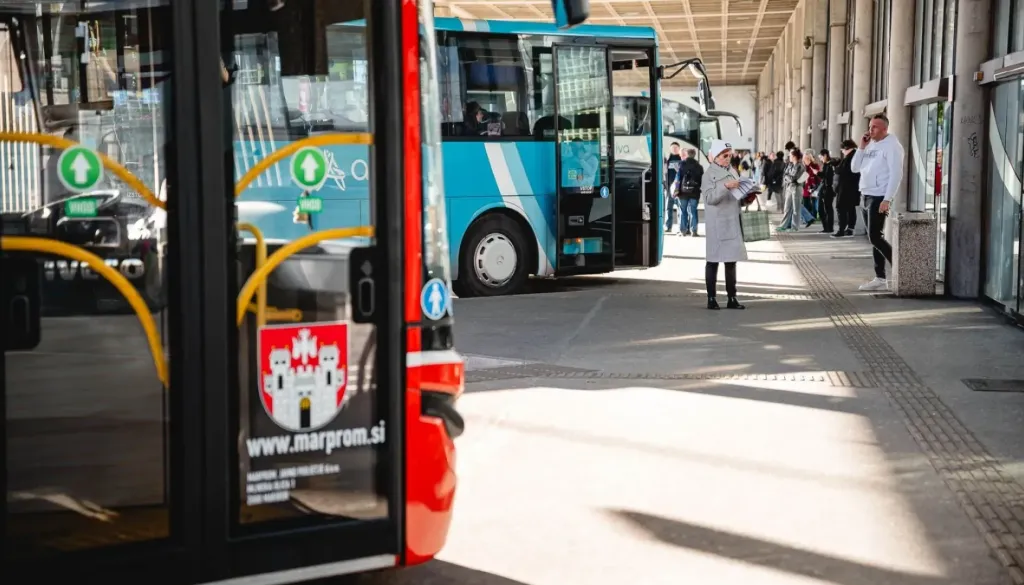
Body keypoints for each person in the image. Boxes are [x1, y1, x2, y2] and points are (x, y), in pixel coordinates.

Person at [851, 113, 904, 291]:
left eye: (874, 127)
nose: (870, 129)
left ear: (884, 129)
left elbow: (896, 174)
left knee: (875, 236)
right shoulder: (870, 144)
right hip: (865, 194)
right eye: (870, 126)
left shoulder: (893, 147)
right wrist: (861, 147)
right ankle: (880, 278)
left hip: (879, 196)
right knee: (874, 238)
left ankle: (901, 268)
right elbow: (855, 167)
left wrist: (887, 199)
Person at [701, 140, 748, 310]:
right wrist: (725, 186)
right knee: (713, 261)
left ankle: (732, 297)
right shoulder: (707, 175)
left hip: (732, 221)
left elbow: (737, 196)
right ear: (715, 157)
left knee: (731, 261)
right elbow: (709, 198)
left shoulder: (733, 172)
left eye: (729, 155)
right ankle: (711, 298)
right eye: (724, 155)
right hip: (717, 224)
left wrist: (747, 195)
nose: (728, 158)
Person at [834, 139, 861, 237]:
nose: (842, 151)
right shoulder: (852, 155)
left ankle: (842, 229)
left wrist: (836, 168)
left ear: (846, 148)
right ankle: (849, 229)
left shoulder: (851, 157)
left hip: (847, 187)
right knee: (850, 208)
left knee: (841, 207)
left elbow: (844, 170)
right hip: (851, 187)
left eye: (842, 149)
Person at [776, 149, 808, 232]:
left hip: (797, 188)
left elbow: (794, 178)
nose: (789, 156)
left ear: (794, 156)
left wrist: (788, 177)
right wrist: (788, 177)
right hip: (789, 187)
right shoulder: (790, 165)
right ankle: (783, 225)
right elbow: (785, 175)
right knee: (787, 207)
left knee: (796, 208)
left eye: (790, 155)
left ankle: (795, 227)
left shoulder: (800, 166)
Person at [678, 148, 703, 236]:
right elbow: (701, 181)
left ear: (687, 154)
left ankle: (683, 231)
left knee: (683, 210)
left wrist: (676, 190)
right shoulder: (699, 166)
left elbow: (678, 179)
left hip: (683, 192)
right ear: (694, 155)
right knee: (693, 210)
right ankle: (694, 231)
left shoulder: (681, 165)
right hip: (695, 192)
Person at [664, 142, 683, 233]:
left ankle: (681, 227)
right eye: (673, 148)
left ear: (679, 148)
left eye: (676, 147)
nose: (674, 149)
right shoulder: (667, 160)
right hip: (669, 188)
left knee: (681, 209)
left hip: (679, 188)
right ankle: (668, 226)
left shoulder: (682, 159)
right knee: (668, 208)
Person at [817, 149, 837, 234]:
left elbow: (827, 177)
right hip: (824, 188)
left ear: (825, 155)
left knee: (827, 208)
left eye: (821, 157)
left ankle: (829, 227)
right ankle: (826, 227)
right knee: (823, 208)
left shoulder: (830, 165)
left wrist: (817, 173)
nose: (821, 159)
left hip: (828, 189)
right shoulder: (826, 164)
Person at [802, 152, 820, 225]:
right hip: (805, 187)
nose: (806, 160)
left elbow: (817, 177)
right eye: (805, 159)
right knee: (806, 203)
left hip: (813, 187)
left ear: (810, 159)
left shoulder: (815, 166)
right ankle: (807, 218)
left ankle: (813, 217)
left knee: (814, 203)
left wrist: (815, 186)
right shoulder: (803, 166)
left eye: (807, 158)